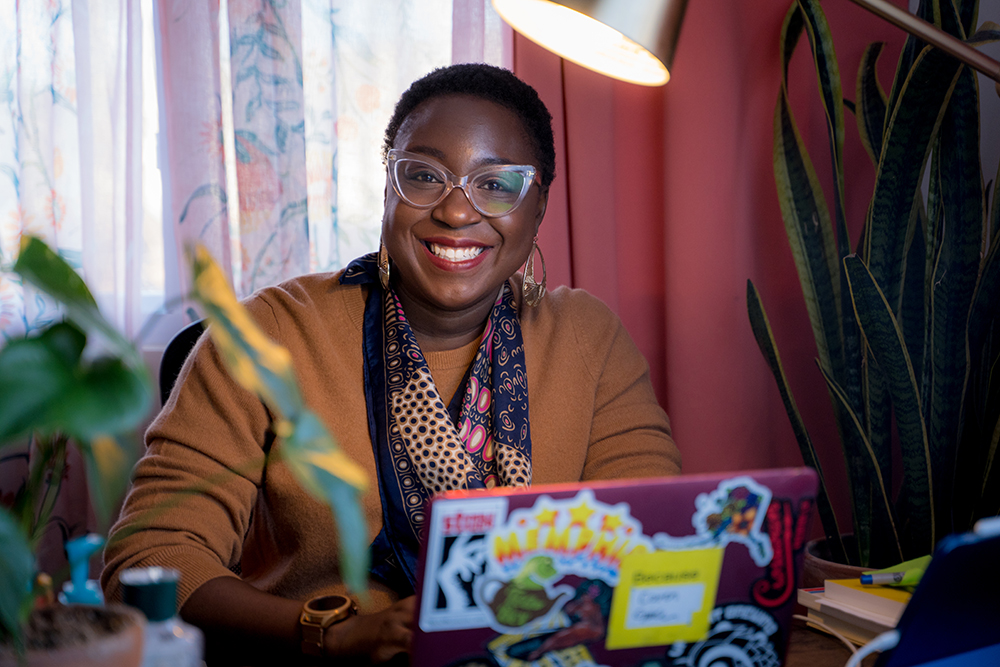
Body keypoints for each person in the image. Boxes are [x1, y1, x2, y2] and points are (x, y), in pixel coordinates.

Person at [102, 63, 681, 665]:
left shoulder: (587, 338)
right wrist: (328, 633)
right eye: (424, 176)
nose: (457, 213)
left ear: (537, 209)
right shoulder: (267, 337)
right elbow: (150, 557)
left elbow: (655, 541)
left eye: (497, 184)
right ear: (387, 189)